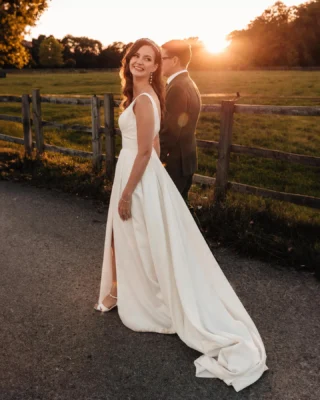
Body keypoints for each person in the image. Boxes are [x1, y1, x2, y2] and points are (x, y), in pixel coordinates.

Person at [94, 38, 268, 392]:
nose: (140, 63)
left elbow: (145, 151)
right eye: (136, 57)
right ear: (128, 61)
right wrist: (156, 182)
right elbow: (156, 146)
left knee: (135, 236)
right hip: (141, 174)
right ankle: (121, 292)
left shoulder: (144, 99)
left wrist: (130, 192)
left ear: (157, 66)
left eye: (149, 59)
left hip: (135, 176)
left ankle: (138, 299)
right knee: (133, 237)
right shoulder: (143, 97)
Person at [160, 40, 201, 202]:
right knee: (181, 212)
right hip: (185, 159)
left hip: (175, 163)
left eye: (162, 58)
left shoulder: (177, 87)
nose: (158, 63)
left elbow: (170, 131)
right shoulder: (188, 82)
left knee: (172, 213)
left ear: (175, 60)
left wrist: (157, 159)